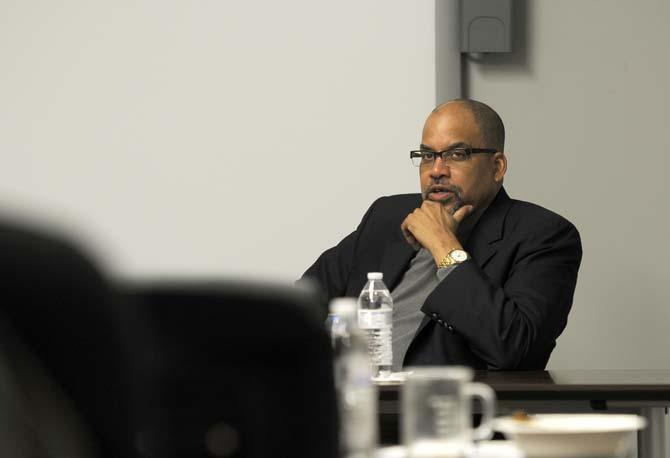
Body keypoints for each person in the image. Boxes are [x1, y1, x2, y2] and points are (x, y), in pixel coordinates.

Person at [302, 99, 582, 370]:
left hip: (449, 408)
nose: (436, 170)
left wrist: (443, 246)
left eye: (456, 155)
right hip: (355, 401)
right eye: (427, 156)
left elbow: (515, 350)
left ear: (497, 167)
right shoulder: (386, 216)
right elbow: (303, 304)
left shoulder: (544, 236)